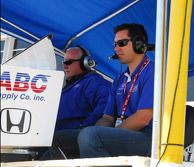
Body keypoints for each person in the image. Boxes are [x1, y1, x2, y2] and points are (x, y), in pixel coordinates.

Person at [78, 23, 154, 158]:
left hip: (149, 138)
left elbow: (143, 118)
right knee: (60, 138)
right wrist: (96, 130)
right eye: (115, 44)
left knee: (89, 136)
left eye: (122, 43)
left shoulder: (153, 72)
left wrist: (109, 134)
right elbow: (107, 118)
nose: (116, 48)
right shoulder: (119, 80)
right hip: (123, 135)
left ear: (139, 44)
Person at [40, 46, 110, 159]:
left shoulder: (94, 82)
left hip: (72, 139)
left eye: (69, 62)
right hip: (53, 140)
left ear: (85, 63)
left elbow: (105, 108)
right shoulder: (66, 87)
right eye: (63, 62)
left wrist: (82, 127)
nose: (64, 65)